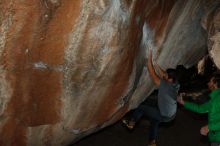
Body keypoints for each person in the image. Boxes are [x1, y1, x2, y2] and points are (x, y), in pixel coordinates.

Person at [123, 49, 180, 146]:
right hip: (171, 116)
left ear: (169, 79)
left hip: (164, 115)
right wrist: (157, 64)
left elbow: (152, 74)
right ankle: (152, 142)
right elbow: (163, 74)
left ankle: (131, 122)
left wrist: (149, 59)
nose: (163, 76)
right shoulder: (176, 84)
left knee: (141, 107)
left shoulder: (165, 86)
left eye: (166, 76)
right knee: (155, 121)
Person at [177, 74, 220, 146]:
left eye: (210, 81)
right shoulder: (214, 98)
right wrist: (183, 103)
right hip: (214, 136)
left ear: (215, 84)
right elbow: (200, 108)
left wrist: (209, 127)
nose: (208, 83)